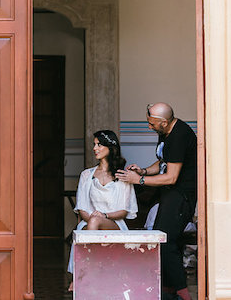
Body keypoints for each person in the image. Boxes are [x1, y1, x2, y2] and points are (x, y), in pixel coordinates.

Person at [115, 102, 197, 300]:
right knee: (162, 239)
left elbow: (171, 177)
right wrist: (143, 170)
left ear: (164, 122)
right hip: (169, 194)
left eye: (152, 124)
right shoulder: (165, 132)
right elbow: (163, 161)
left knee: (167, 241)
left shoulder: (179, 136)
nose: (149, 127)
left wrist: (139, 180)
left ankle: (182, 293)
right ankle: (169, 291)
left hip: (182, 195)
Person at [68, 129, 138, 290]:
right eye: (94, 145)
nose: (95, 148)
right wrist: (94, 218)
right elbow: (82, 209)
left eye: (99, 145)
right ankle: (92, 272)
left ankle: (85, 274)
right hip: (89, 223)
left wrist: (103, 215)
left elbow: (124, 211)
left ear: (110, 147)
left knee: (95, 220)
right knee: (91, 222)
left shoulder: (122, 175)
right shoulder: (87, 175)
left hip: (114, 223)